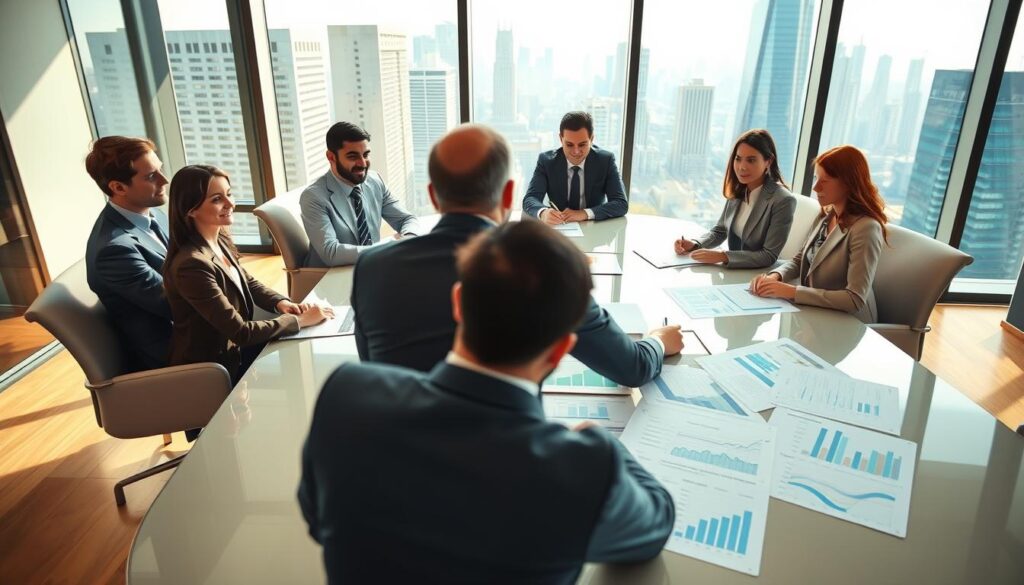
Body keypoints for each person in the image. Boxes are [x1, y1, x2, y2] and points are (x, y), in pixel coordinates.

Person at [300, 220, 675, 583]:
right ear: (562, 349)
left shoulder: (345, 395)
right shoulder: (579, 468)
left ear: (459, 302)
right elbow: (655, 525)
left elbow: (320, 522)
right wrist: (602, 442)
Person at [351, 124, 682, 386]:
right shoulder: (544, 267)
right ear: (509, 194)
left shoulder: (371, 266)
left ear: (434, 196)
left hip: (402, 454)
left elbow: (373, 373)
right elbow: (631, 367)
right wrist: (657, 342)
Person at [163, 165, 331, 382]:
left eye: (229, 194)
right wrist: (299, 321)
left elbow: (245, 281)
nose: (230, 204)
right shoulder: (191, 265)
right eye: (216, 199)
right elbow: (240, 332)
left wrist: (280, 302)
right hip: (211, 371)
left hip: (233, 354)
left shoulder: (218, 240)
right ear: (191, 209)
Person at [749, 145, 887, 323]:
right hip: (816, 314)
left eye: (825, 180)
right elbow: (800, 260)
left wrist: (791, 291)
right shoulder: (827, 215)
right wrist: (775, 277)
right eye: (816, 177)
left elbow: (854, 299)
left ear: (848, 183)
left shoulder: (866, 228)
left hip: (849, 323)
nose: (815, 187)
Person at [84, 136, 172, 372]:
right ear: (118, 187)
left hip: (197, 329)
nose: (165, 180)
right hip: (176, 354)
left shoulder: (154, 216)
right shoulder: (114, 250)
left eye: (160, 169)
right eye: (152, 176)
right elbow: (177, 305)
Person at [300, 121, 420, 267]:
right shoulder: (313, 197)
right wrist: (383, 251)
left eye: (365, 155)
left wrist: (407, 239)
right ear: (331, 157)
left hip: (369, 267)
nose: (362, 163)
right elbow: (330, 252)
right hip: (328, 277)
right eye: (352, 156)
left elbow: (407, 219)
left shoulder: (375, 181)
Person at [673, 129, 797, 268]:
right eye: (738, 159)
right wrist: (696, 244)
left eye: (751, 160)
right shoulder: (740, 188)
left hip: (758, 276)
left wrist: (724, 256)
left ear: (768, 161)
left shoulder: (783, 200)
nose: (742, 167)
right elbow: (720, 231)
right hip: (732, 272)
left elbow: (769, 255)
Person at [522, 111, 628, 224]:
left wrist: (584, 213)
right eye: (569, 145)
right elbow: (530, 199)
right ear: (560, 139)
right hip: (559, 227)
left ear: (591, 139)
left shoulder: (605, 161)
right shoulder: (546, 161)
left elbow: (621, 203)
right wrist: (543, 212)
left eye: (582, 144)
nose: (576, 151)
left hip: (595, 229)